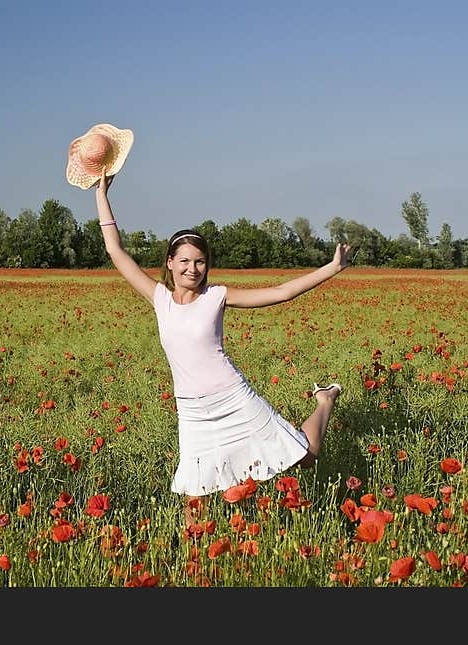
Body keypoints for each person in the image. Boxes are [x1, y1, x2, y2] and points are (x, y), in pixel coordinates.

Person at [93, 169, 351, 530]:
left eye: (200, 262)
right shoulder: (159, 298)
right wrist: (101, 194)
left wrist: (333, 267)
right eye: (184, 261)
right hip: (193, 411)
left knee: (305, 457)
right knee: (194, 492)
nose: (192, 269)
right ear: (169, 263)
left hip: (233, 398)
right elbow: (114, 249)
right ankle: (193, 560)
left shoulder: (217, 296)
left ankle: (324, 401)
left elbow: (281, 293)